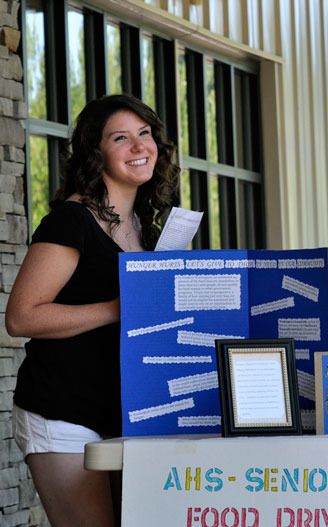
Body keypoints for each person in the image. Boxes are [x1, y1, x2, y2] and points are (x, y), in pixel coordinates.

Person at [6, 94, 179, 526]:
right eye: (121, 138)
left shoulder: (146, 224)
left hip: (124, 412)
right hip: (62, 410)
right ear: (95, 152)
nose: (140, 147)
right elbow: (21, 317)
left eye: (145, 134)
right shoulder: (72, 219)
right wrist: (119, 308)